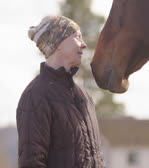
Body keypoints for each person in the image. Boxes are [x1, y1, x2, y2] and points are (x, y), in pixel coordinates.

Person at [17, 15, 104, 168]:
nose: (83, 45)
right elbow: (31, 163)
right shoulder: (35, 96)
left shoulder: (85, 98)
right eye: (77, 37)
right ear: (58, 43)